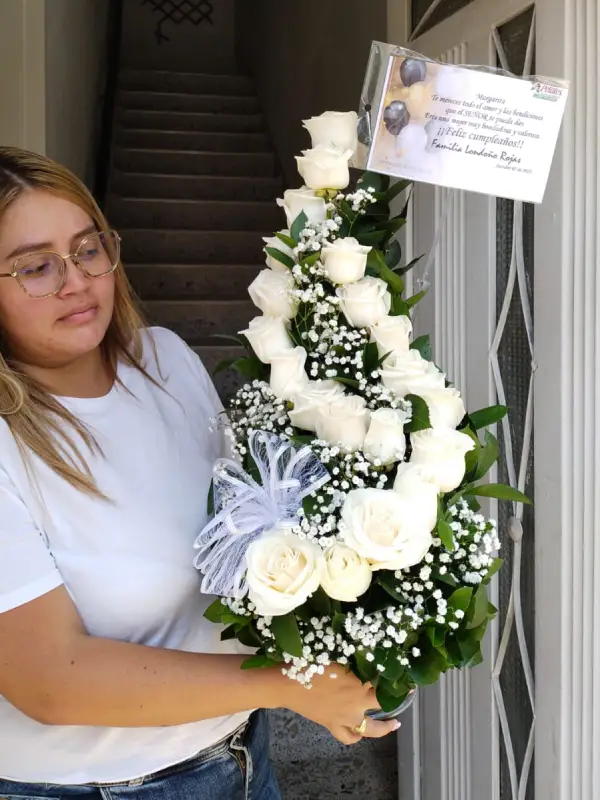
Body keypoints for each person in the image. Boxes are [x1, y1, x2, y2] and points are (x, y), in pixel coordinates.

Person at [0, 148, 399, 800]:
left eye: (88, 249)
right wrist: (289, 680)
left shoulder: (164, 360)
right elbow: (51, 679)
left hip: (238, 756)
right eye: (36, 267)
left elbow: (242, 530)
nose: (75, 280)